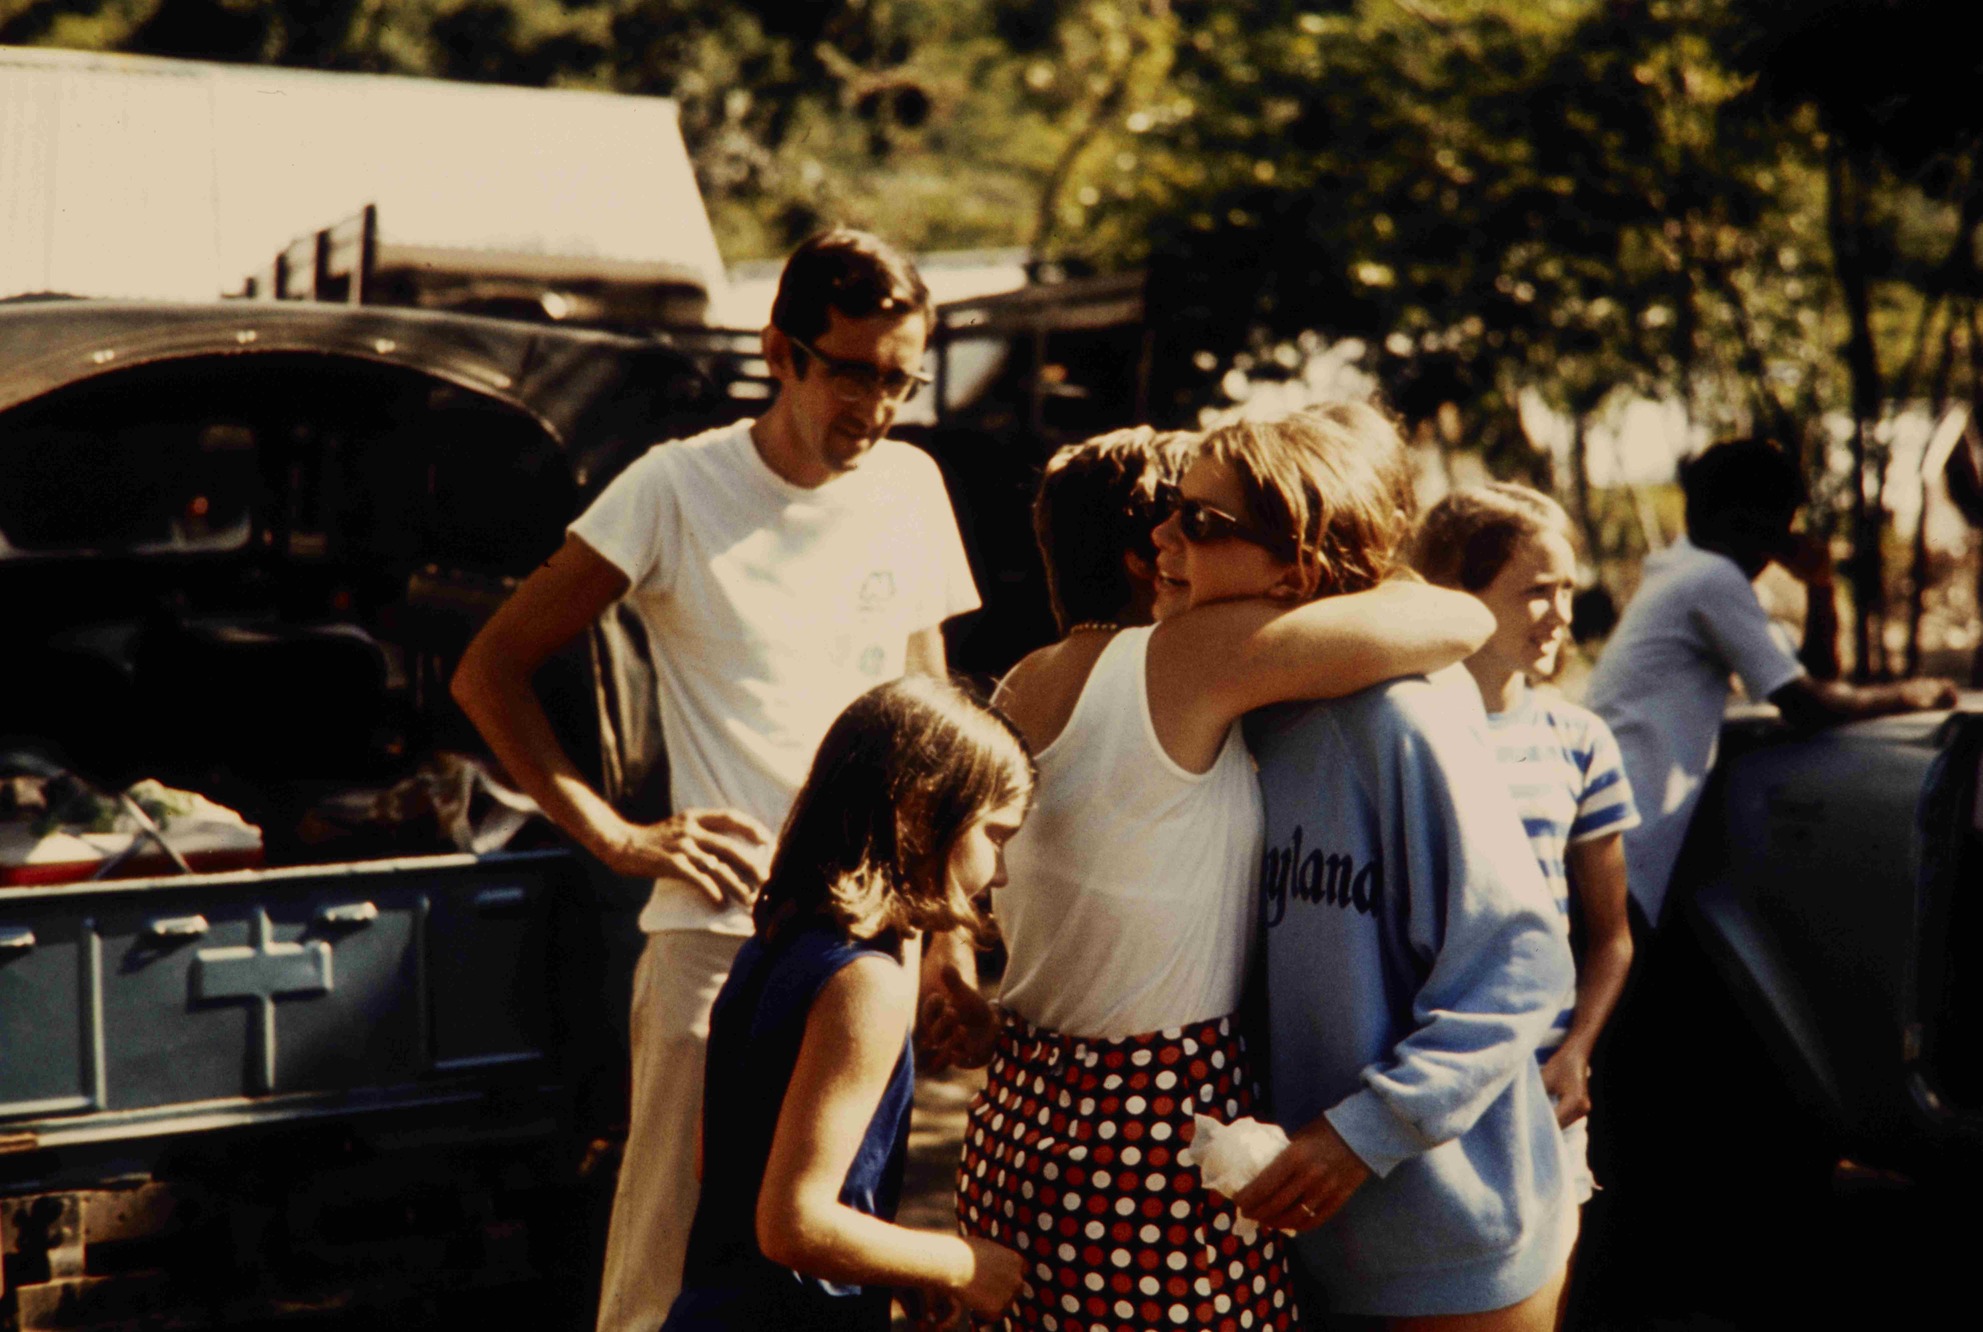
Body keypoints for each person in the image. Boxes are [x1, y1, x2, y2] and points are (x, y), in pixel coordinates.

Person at [449, 228, 982, 1331]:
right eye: (852, 373)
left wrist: (949, 941)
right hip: (719, 936)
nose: (877, 407)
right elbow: (489, 670)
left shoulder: (912, 487)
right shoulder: (675, 486)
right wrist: (616, 835)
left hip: (873, 945)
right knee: (665, 1271)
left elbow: (926, 735)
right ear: (779, 352)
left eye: (902, 381)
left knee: (836, 1260)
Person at [927, 410, 1498, 1332]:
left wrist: (947, 959)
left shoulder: (1023, 682)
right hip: (1150, 1139)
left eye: (1194, 520)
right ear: (1144, 561)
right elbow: (1458, 616)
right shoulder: (1183, 661)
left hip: (1019, 1115)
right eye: (1176, 519)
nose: (1175, 539)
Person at [1233, 412, 1579, 1329]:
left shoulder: (1400, 719)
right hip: (1310, 1235)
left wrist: (1366, 1131)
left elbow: (1521, 961)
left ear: (1293, 556)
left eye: (1199, 521)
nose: (1163, 539)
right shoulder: (1231, 723)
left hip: (1453, 1237)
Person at [661, 676, 1033, 1331]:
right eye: (996, 836)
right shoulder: (867, 984)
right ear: (921, 807)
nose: (999, 872)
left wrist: (892, 1268)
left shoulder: (772, 943)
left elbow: (715, 1163)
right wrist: (959, 1262)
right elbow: (792, 1225)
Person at [1413, 484, 1640, 1320]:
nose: (1559, 615)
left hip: (1540, 1093)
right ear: (1454, 596)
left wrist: (1576, 1051)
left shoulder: (1577, 740)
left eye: (1567, 590)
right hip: (1421, 1088)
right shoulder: (1403, 734)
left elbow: (1609, 937)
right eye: (1535, 591)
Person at [1583, 436, 1957, 932]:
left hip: (1611, 832)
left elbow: (1813, 677)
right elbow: (1808, 705)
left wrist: (1820, 586)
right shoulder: (1710, 578)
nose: (1785, 541)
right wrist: (1911, 695)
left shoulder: (1683, 570)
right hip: (1624, 842)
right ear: (1748, 522)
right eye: (1781, 526)